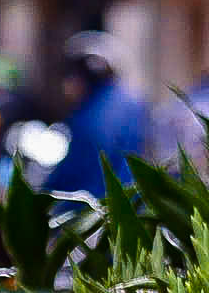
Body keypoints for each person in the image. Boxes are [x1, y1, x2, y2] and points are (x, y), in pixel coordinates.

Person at [45, 32, 152, 197]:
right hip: (133, 202)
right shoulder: (133, 102)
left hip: (93, 209)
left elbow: (74, 171)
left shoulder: (90, 115)